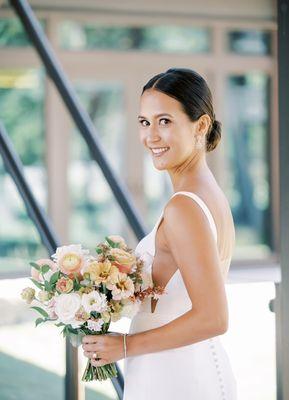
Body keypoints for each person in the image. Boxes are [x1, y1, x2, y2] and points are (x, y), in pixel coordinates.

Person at [82, 67, 238, 399]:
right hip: (186, 367)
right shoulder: (209, 194)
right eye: (144, 122)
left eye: (164, 121)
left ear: (201, 125)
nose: (151, 136)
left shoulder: (184, 207)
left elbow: (214, 317)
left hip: (176, 376)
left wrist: (125, 345)